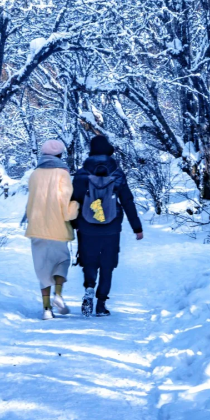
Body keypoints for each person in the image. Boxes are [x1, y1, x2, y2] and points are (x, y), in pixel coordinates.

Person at [71, 135, 143, 317]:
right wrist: (137, 227)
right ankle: (101, 303)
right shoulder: (117, 173)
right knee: (107, 265)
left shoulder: (82, 174)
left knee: (89, 261)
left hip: (86, 226)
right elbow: (127, 201)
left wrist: (73, 224)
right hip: (111, 227)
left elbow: (74, 201)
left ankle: (88, 288)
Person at [25, 139, 79, 320]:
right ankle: (58, 295)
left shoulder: (34, 174)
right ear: (60, 155)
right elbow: (65, 202)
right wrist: (75, 208)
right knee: (62, 262)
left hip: (37, 228)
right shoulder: (62, 174)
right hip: (57, 228)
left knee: (42, 269)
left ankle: (47, 309)